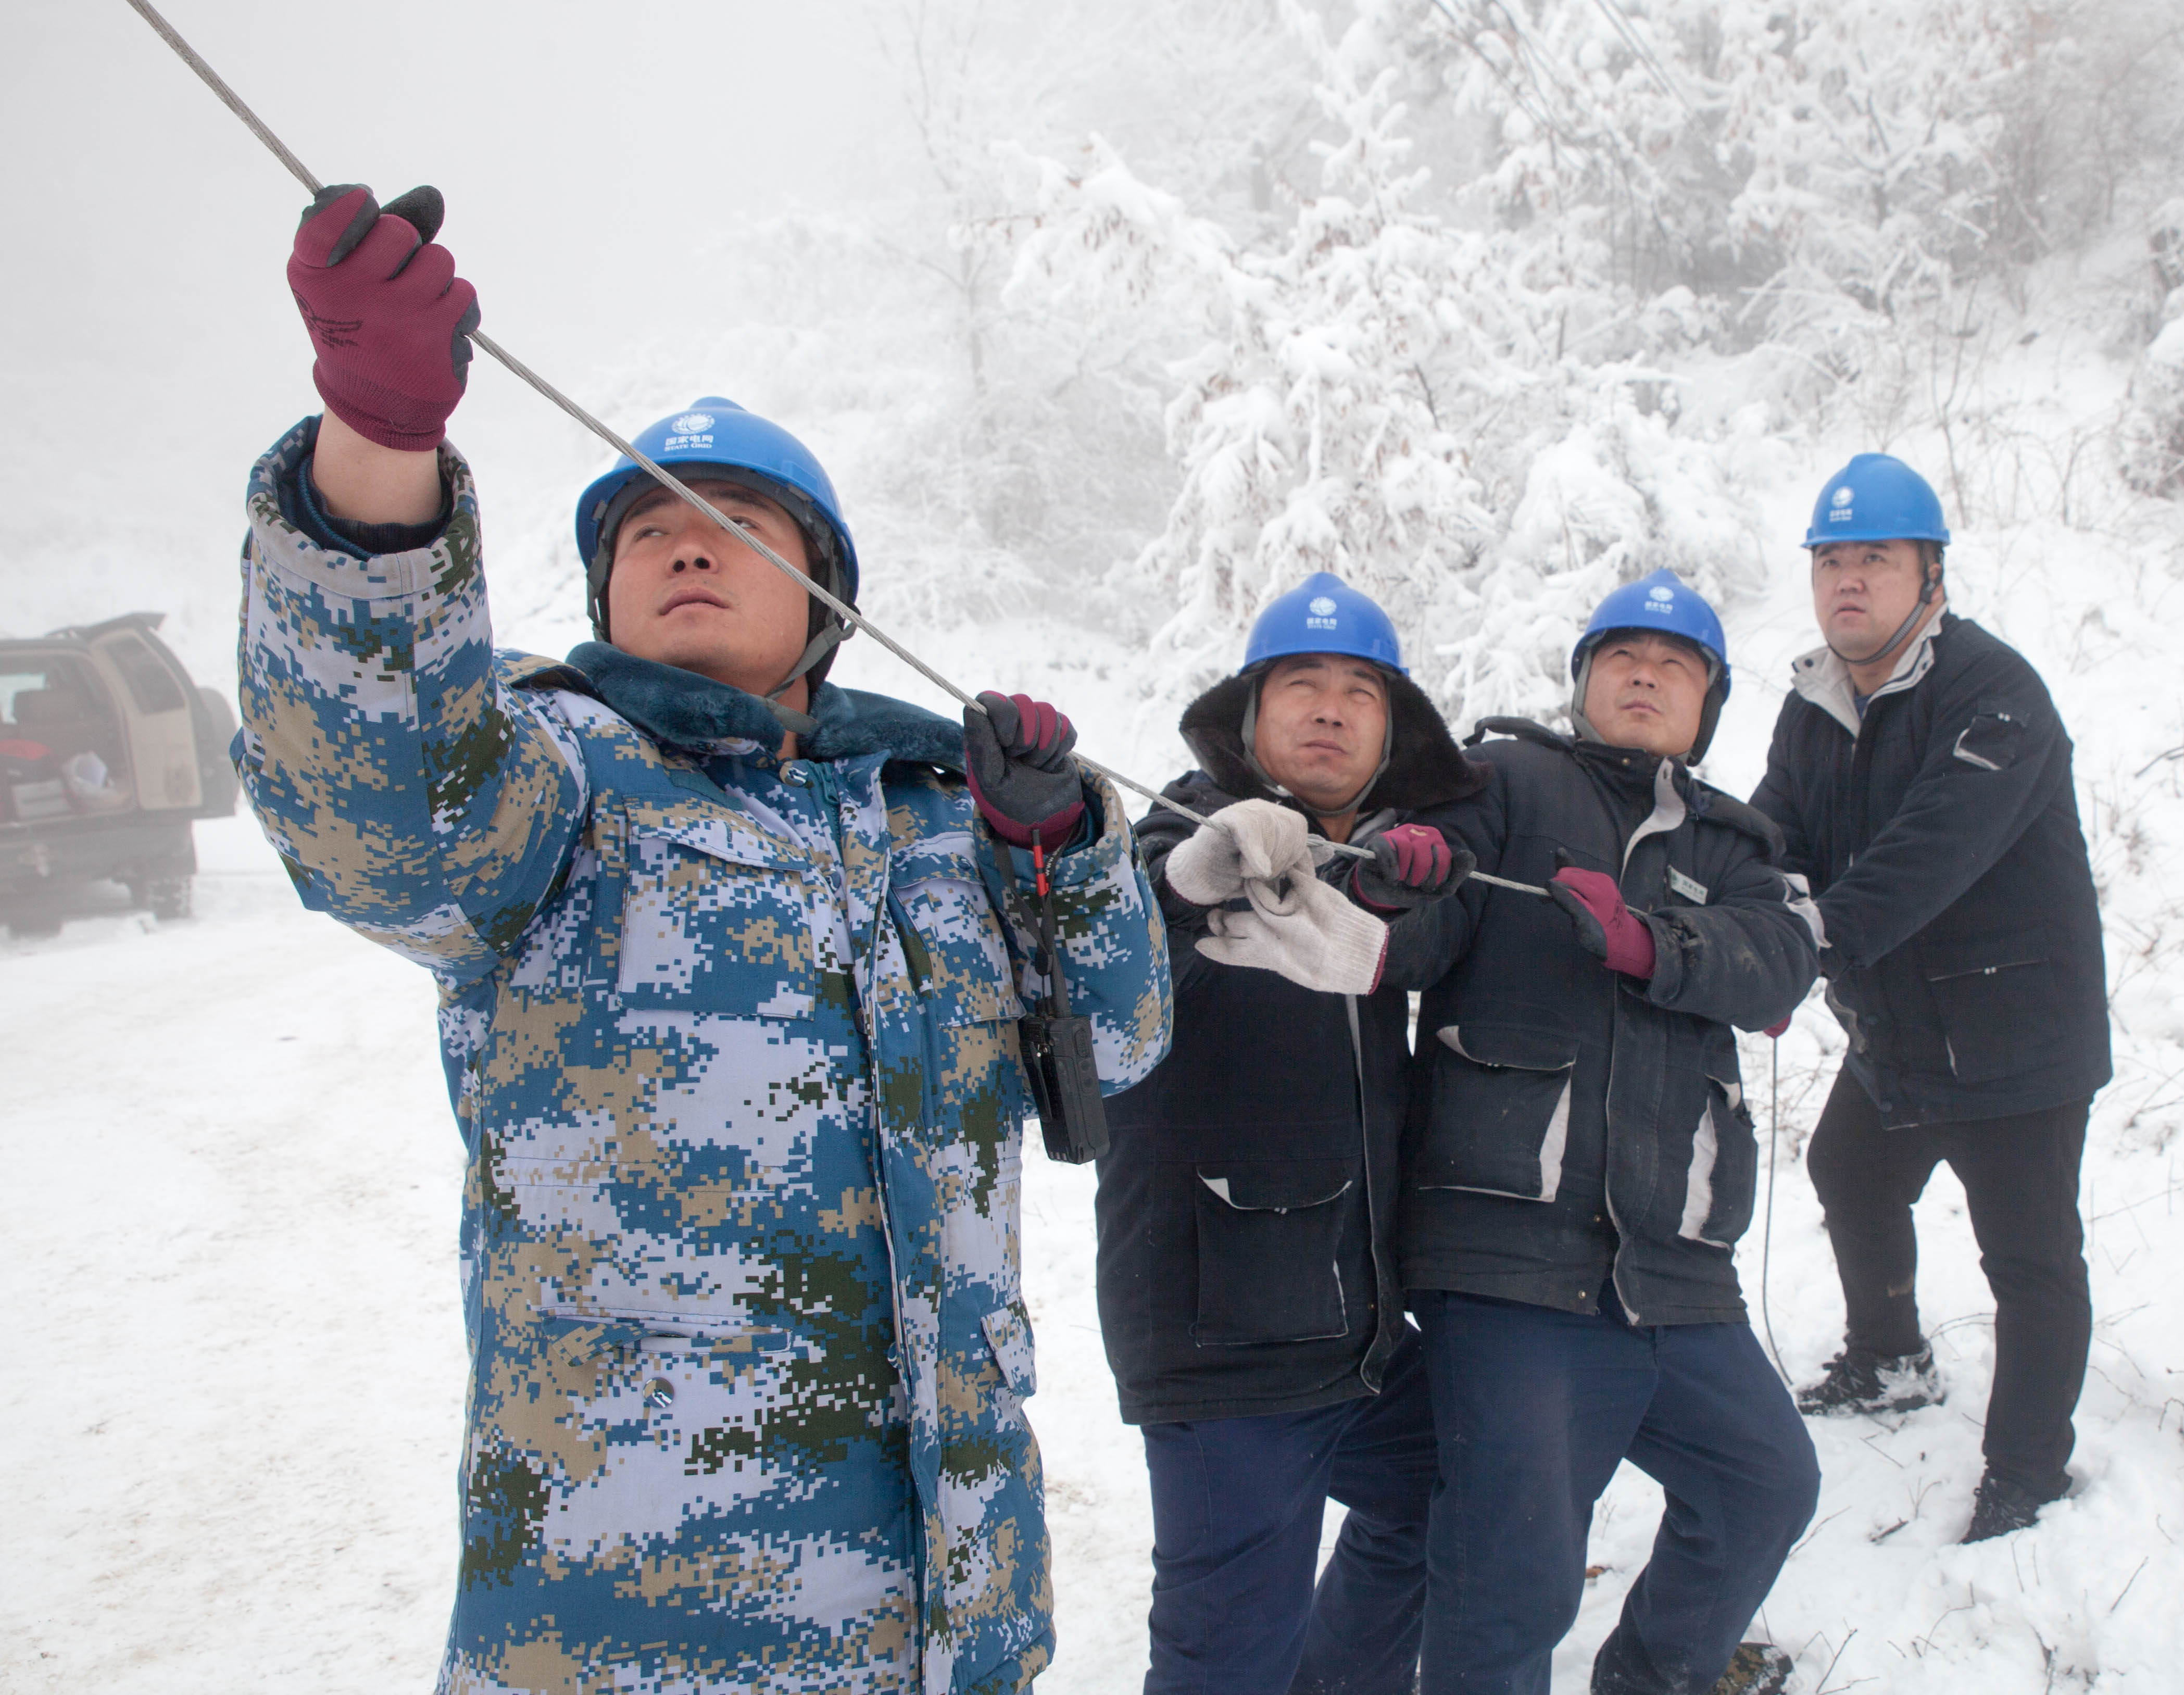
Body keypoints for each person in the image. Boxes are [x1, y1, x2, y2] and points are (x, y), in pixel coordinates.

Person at [233, 184, 1172, 1694]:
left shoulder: (938, 820)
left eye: (741, 525)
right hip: (633, 1632)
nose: (687, 547)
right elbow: (374, 814)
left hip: (954, 1615)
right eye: (649, 531)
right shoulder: (554, 790)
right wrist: (376, 455)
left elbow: (1116, 1045)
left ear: (826, 595)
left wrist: (1063, 856)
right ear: (602, 594)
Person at [1377, 568, 1824, 1695]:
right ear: (1582, 680)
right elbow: (1418, 940)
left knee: (1763, 1484)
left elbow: (1777, 966)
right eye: (1621, 655)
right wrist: (1403, 880)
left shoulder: (1733, 840)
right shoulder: (1501, 781)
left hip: (1672, 1268)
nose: (1643, 673)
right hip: (1511, 1257)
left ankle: (1646, 1678)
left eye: (1674, 664)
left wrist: (1650, 943)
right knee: (1512, 1571)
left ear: (1706, 706)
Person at [1097, 572, 1482, 1695]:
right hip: (1221, 1347)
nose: (1329, 706)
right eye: (1299, 684)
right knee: (1224, 1661)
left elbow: (1439, 935)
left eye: (1359, 689)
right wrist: (1182, 886)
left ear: (1389, 730)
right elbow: (1096, 968)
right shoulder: (1172, 839)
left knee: (1449, 1496)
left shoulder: (1373, 875)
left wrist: (1408, 898)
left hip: (1359, 1339)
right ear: (1248, 719)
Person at [1749, 454, 2110, 1542]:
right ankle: (1890, 1356)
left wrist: (1800, 938)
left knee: (2029, 1259)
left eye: (1875, 557)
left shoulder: (1992, 693)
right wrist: (1724, 915)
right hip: (1898, 1030)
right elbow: (1773, 837)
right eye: (1829, 559)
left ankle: (2026, 1468)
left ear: (1929, 573)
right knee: (1848, 1170)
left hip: (2012, 1043)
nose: (1847, 579)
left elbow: (1927, 856)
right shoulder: (1813, 701)